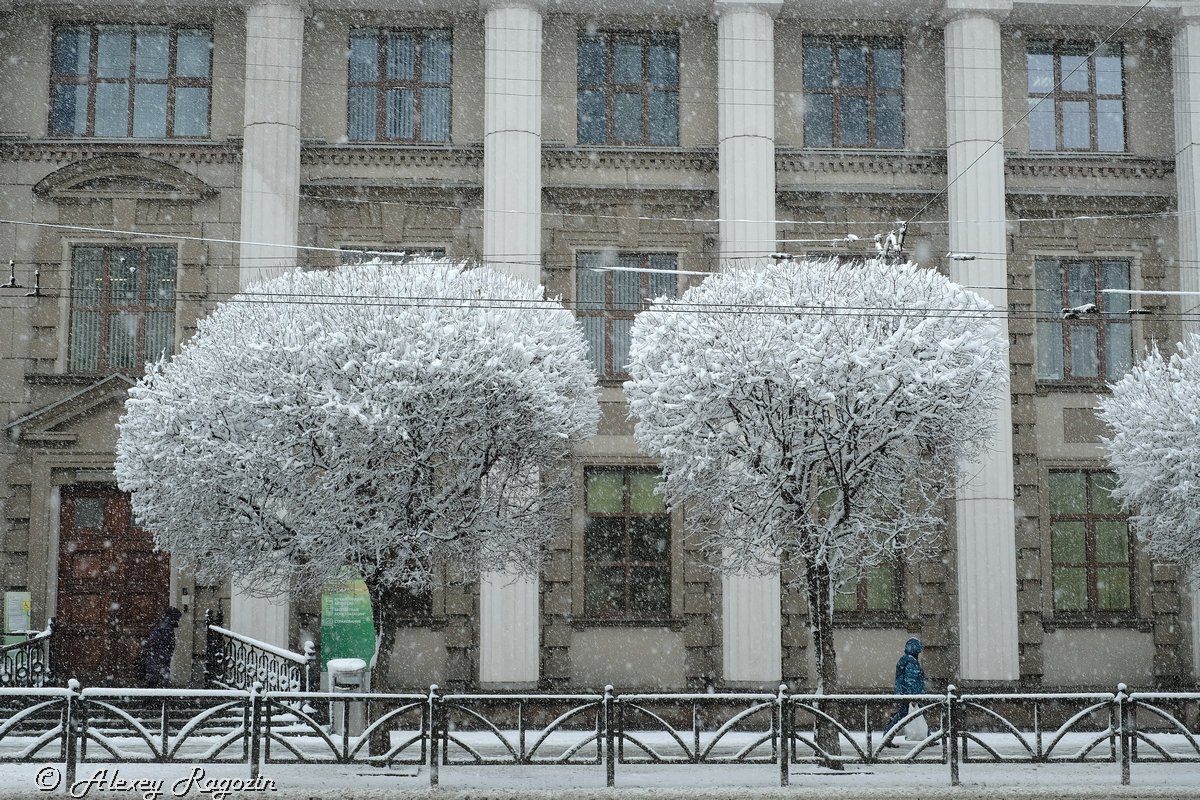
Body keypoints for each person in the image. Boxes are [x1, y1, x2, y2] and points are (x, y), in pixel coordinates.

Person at [884, 637, 926, 743]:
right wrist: (912, 696)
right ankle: (887, 737)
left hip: (905, 693)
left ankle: (887, 737)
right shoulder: (911, 662)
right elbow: (910, 680)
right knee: (906, 716)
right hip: (910, 695)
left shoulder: (905, 660)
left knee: (910, 715)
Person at [140, 606, 182, 688]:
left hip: (157, 661)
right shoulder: (165, 629)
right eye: (178, 618)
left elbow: (149, 643)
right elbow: (150, 643)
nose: (178, 620)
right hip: (158, 662)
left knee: (154, 686)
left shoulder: (164, 627)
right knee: (156, 686)